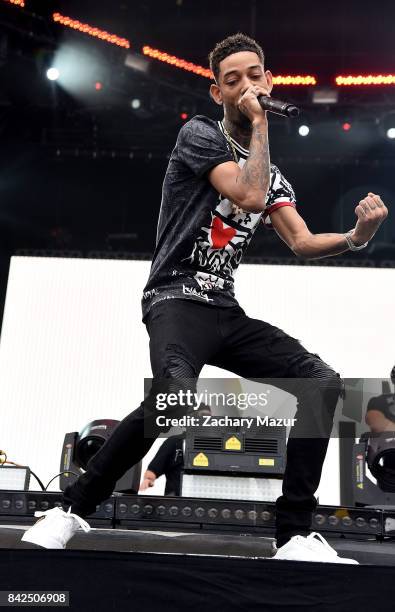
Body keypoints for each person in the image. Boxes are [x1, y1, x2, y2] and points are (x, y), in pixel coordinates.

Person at [22, 33, 388, 562]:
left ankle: (293, 536)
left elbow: (304, 241)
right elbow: (246, 194)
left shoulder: (273, 173)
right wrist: (260, 123)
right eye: (231, 80)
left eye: (253, 74)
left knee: (320, 383)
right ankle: (69, 511)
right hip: (175, 297)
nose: (244, 85)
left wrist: (356, 237)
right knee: (175, 398)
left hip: (223, 308)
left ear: (269, 80)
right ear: (217, 93)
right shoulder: (199, 135)